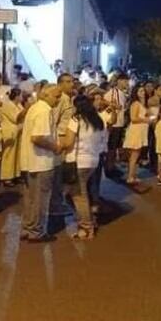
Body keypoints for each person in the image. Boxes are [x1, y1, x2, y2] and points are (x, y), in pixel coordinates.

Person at [60, 94, 108, 240]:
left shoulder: (76, 119)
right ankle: (87, 221)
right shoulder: (99, 120)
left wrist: (58, 144)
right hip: (93, 161)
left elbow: (68, 142)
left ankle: (87, 227)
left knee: (79, 196)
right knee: (77, 193)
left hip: (78, 162)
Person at [20, 84, 63, 243]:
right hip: (41, 162)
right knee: (40, 199)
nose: (58, 100)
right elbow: (38, 137)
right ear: (46, 96)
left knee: (30, 198)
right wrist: (56, 147)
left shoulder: (35, 108)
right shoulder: (44, 110)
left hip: (31, 161)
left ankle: (27, 227)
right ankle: (36, 231)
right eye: (56, 96)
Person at [103, 74, 129, 178]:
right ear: (119, 81)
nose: (126, 83)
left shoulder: (122, 93)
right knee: (111, 148)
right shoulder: (113, 93)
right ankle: (109, 168)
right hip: (114, 124)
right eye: (125, 81)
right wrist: (113, 107)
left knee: (115, 147)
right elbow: (106, 106)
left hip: (119, 124)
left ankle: (112, 166)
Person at [123, 85, 149, 186]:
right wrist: (145, 120)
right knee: (134, 155)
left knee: (136, 154)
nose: (143, 92)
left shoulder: (142, 103)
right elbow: (133, 118)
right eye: (140, 91)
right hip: (136, 130)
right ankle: (130, 177)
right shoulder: (135, 104)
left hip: (141, 130)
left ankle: (133, 175)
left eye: (143, 90)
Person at [0, 88, 25, 186]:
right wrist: (26, 109)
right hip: (10, 133)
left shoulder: (18, 105)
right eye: (21, 96)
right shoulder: (7, 105)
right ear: (17, 96)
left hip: (18, 132)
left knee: (17, 155)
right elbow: (16, 118)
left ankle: (16, 174)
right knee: (9, 156)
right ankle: (7, 177)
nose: (22, 98)